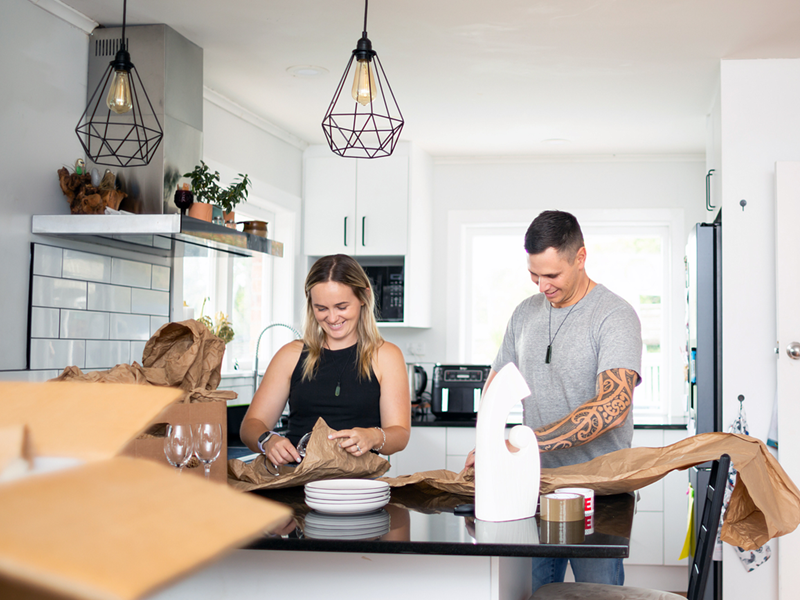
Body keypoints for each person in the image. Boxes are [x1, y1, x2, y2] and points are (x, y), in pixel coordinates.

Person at [465, 210, 642, 591]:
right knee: (530, 593)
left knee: (597, 597)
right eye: (534, 274)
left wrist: (528, 443)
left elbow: (612, 406)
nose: (542, 285)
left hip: (598, 492)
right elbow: (495, 388)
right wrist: (488, 444)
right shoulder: (524, 314)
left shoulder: (614, 315)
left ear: (580, 257)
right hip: (533, 490)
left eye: (552, 275)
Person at [240, 254, 411, 464]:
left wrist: (373, 436)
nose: (332, 318)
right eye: (321, 308)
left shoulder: (386, 356)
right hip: (296, 478)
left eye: (341, 307)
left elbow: (400, 435)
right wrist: (267, 440)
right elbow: (251, 425)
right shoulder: (289, 355)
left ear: (364, 297)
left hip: (358, 481)